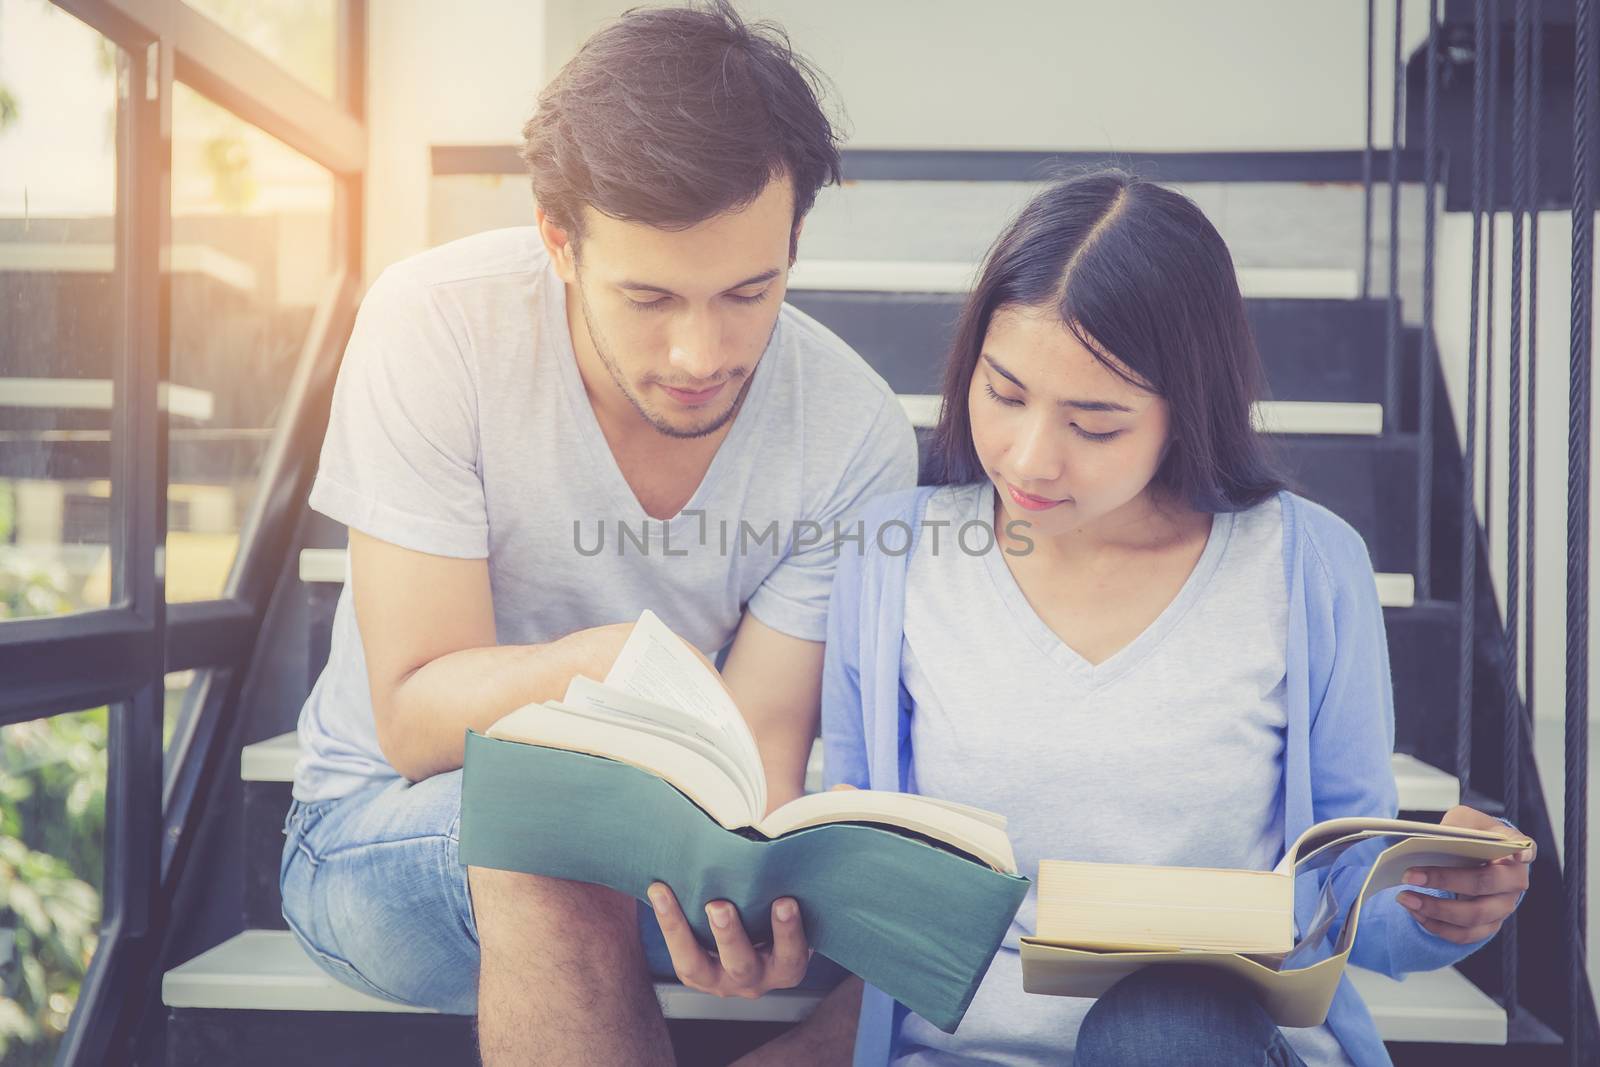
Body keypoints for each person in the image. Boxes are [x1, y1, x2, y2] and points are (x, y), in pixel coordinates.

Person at [278, 4, 914, 1064]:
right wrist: (598, 667)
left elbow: (757, 753)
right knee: (550, 836)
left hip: (656, 857)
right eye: (649, 295)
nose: (699, 351)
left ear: (795, 236)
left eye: (748, 292)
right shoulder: (437, 323)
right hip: (383, 831)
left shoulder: (850, 428)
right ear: (557, 238)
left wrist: (750, 886)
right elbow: (415, 714)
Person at [821, 171, 1531, 1066]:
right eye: (1004, 394)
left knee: (1161, 1023)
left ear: (1183, 412)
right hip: (963, 1053)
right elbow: (863, 884)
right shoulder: (892, 553)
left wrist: (1438, 905)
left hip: (1209, 1045)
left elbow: (1349, 900)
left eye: (1096, 423)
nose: (1031, 456)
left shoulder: (1306, 565)